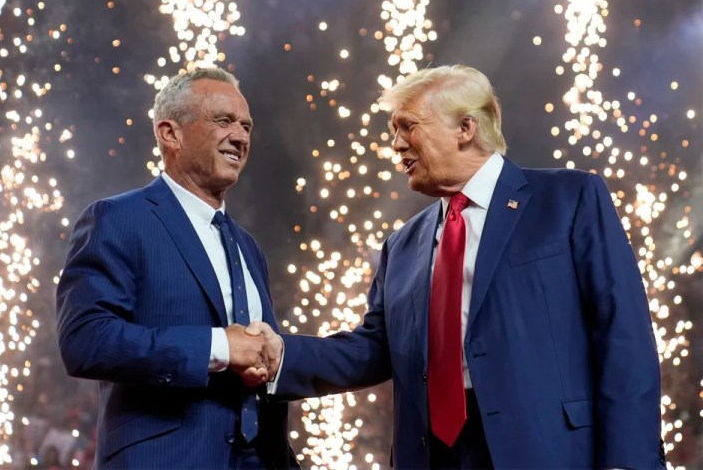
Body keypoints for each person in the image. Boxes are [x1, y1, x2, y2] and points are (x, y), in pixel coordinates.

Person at [252, 65, 664, 469]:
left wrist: (628, 461)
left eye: (407, 126)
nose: (395, 144)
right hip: (435, 455)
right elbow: (373, 350)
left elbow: (621, 331)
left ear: (466, 129)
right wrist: (278, 355)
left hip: (549, 449)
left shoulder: (568, 199)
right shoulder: (402, 245)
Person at [56, 67, 298, 469]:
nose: (240, 136)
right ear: (170, 133)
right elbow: (85, 340)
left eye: (246, 126)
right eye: (223, 121)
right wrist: (220, 347)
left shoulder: (249, 248)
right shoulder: (118, 219)